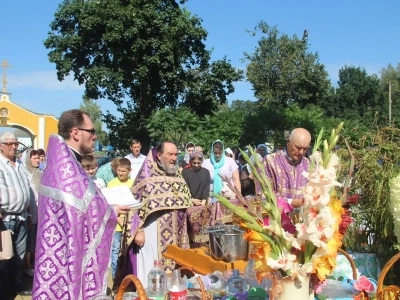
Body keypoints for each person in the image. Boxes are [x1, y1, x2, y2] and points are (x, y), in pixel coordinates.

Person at [32, 109, 130, 299]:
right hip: (64, 253)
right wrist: (112, 212)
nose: (95, 137)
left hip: (57, 252)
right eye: (91, 131)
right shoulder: (67, 169)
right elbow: (91, 206)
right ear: (76, 133)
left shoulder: (60, 163)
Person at [124, 141, 191, 289]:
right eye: (170, 154)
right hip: (152, 233)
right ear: (159, 156)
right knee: (151, 270)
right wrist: (138, 231)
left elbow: (186, 203)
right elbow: (134, 204)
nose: (174, 158)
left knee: (173, 273)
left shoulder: (179, 178)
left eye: (176, 154)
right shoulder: (146, 177)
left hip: (176, 235)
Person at [0, 132, 33, 296]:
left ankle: (17, 285)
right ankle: (4, 290)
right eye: (9, 143)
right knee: (4, 257)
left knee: (19, 255)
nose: (14, 146)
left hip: (21, 216)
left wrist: (29, 213)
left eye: (16, 143)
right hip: (5, 217)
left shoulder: (19, 164)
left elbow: (26, 190)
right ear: (1, 146)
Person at [261, 128, 311, 207]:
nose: (301, 152)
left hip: (304, 217)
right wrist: (291, 202)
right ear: (288, 142)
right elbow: (263, 195)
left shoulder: (309, 164)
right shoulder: (270, 161)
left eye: (305, 149)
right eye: (298, 147)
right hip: (278, 216)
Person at [107, 158, 134, 280]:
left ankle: (128, 275)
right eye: (119, 170)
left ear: (129, 170)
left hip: (129, 224)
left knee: (129, 251)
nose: (121, 173)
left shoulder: (133, 184)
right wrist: (118, 219)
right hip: (116, 225)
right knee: (115, 251)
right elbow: (109, 204)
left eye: (124, 171)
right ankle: (115, 277)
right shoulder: (112, 184)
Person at [20, 149, 42, 277]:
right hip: (31, 211)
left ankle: (33, 262)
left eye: (38, 158)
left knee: (35, 238)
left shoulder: (39, 173)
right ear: (28, 159)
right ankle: (27, 265)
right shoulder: (25, 174)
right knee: (29, 238)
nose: (37, 160)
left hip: (40, 212)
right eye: (34, 158)